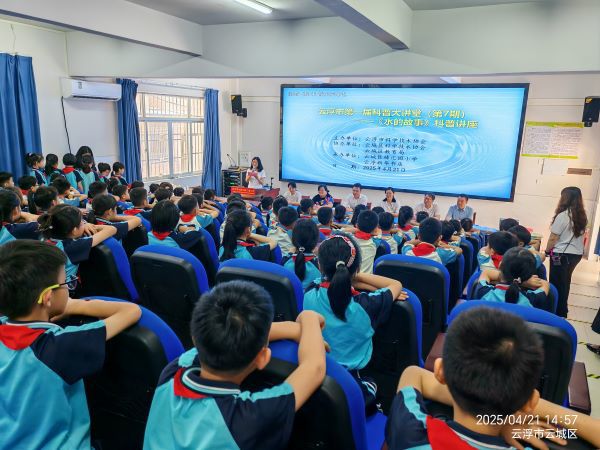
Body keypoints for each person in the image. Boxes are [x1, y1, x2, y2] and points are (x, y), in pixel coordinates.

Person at [143, 281, 326, 450]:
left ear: (194, 338)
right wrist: (308, 317)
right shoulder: (247, 418)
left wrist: (292, 328)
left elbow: (220, 335)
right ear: (263, 358)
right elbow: (314, 367)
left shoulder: (173, 372)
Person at [384, 306, 600, 450]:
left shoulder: (408, 431)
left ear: (440, 371)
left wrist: (489, 412)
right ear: (530, 402)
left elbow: (413, 373)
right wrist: (505, 417)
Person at [0, 240, 141, 450]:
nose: (68, 286)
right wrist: (73, 305)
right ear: (47, 298)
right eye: (65, 282)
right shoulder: (59, 345)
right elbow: (131, 311)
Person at [304, 234, 406, 412]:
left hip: (316, 375)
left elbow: (324, 281)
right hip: (355, 384)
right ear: (357, 268)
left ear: (320, 266)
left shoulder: (310, 292)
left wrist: (350, 277)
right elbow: (396, 285)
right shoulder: (367, 305)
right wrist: (355, 277)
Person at [38, 204, 116, 293]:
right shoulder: (74, 246)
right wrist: (92, 226)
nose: (84, 223)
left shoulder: (44, 238)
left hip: (44, 289)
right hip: (65, 294)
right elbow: (112, 229)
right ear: (74, 230)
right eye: (82, 222)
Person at [545, 186, 587, 318]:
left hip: (561, 255)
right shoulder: (582, 216)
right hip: (576, 255)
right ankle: (562, 310)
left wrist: (546, 251)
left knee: (556, 283)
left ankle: (556, 311)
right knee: (565, 281)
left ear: (565, 198)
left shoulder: (563, 215)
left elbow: (553, 238)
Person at [473, 247, 550, 309]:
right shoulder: (533, 299)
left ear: (500, 265)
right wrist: (522, 281)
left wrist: (512, 278)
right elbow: (545, 284)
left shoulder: (484, 292)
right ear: (529, 275)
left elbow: (486, 273)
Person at [282, 219, 320, 289]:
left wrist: (290, 253)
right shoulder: (320, 265)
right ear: (315, 241)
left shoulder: (285, 260)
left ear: (293, 239)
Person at [353, 210, 384, 274]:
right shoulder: (374, 242)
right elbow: (379, 232)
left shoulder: (348, 240)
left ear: (356, 225)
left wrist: (356, 229)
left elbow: (339, 231)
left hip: (347, 277)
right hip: (367, 279)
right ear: (375, 228)